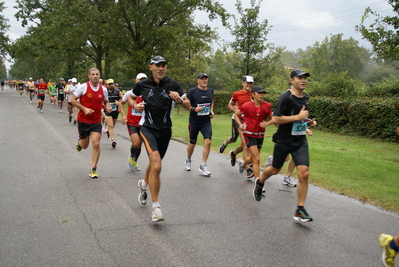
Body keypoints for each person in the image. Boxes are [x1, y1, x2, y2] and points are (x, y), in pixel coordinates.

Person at [128, 55, 190, 222]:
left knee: (154, 166)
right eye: (157, 65)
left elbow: (188, 105)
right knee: (156, 166)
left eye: (163, 65)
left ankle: (144, 184)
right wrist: (136, 105)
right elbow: (131, 97)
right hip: (147, 129)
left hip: (165, 131)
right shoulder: (143, 84)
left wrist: (179, 99)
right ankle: (156, 208)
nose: (161, 68)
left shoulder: (173, 84)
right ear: (151, 67)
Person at [253, 69, 317, 223]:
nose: (303, 80)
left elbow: (301, 117)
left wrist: (309, 123)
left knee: (304, 174)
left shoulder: (305, 97)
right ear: (292, 80)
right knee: (275, 169)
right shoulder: (286, 97)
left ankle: (300, 209)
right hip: (284, 140)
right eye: (299, 78)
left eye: (305, 78)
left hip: (299, 141)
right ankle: (260, 183)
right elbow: (276, 118)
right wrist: (298, 117)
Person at [70, 68, 111, 179]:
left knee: (96, 144)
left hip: (96, 121)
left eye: (97, 74)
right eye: (93, 74)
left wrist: (107, 106)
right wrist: (84, 109)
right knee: (84, 146)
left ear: (99, 75)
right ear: (89, 76)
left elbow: (106, 101)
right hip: (83, 120)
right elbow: (73, 100)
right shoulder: (83, 87)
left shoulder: (103, 89)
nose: (95, 76)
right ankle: (79, 143)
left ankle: (93, 169)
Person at [234, 86, 273, 181]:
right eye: (259, 93)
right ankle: (258, 184)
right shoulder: (246, 106)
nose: (261, 95)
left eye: (262, 93)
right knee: (257, 159)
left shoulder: (267, 106)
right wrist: (240, 124)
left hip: (260, 134)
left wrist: (267, 123)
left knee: (253, 158)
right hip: (249, 133)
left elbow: (273, 119)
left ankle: (243, 163)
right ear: (253, 94)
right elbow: (236, 115)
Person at [219, 76, 254, 178]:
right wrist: (236, 111)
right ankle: (225, 143)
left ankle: (246, 167)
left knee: (245, 144)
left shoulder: (254, 94)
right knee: (234, 139)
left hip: (247, 122)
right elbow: (230, 105)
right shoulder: (237, 94)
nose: (249, 85)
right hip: (237, 120)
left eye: (251, 83)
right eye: (247, 83)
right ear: (242, 83)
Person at [184, 73, 214, 176]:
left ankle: (203, 165)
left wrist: (211, 111)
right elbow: (186, 104)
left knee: (208, 142)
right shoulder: (192, 92)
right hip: (194, 122)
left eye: (206, 79)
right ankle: (188, 160)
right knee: (192, 144)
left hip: (206, 122)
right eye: (202, 79)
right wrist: (193, 109)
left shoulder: (210, 91)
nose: (204, 80)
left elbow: (211, 101)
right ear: (198, 81)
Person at [120, 73, 147, 171]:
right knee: (135, 143)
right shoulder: (129, 93)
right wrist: (123, 115)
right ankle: (132, 156)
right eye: (140, 80)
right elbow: (121, 103)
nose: (142, 81)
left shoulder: (148, 94)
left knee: (139, 144)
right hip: (132, 122)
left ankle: (135, 160)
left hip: (143, 123)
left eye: (144, 79)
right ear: (136, 81)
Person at [103, 79, 123, 147]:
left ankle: (109, 132)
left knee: (112, 126)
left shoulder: (117, 91)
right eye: (109, 84)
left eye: (112, 84)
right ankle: (113, 140)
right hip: (107, 111)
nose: (111, 85)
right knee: (110, 125)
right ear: (107, 85)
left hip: (115, 111)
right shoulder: (104, 91)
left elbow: (123, 99)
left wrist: (119, 103)